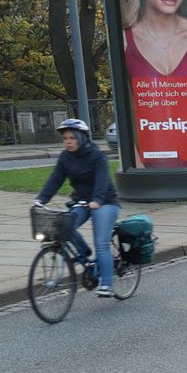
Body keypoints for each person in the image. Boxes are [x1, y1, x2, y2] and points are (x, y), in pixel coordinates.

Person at [34, 118, 120, 298]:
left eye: (72, 138)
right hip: (82, 202)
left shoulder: (96, 156)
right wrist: (41, 200)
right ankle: (84, 253)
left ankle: (106, 284)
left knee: (101, 243)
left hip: (105, 202)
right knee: (63, 226)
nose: (68, 142)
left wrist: (97, 200)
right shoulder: (66, 157)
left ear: (81, 137)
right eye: (65, 138)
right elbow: (55, 179)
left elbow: (102, 181)